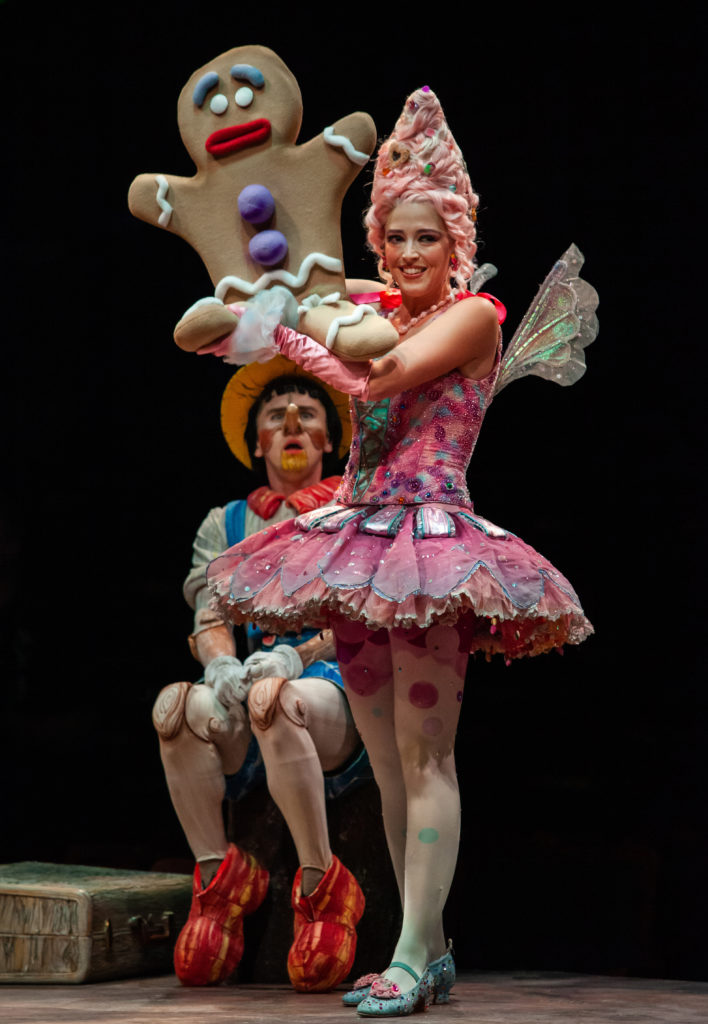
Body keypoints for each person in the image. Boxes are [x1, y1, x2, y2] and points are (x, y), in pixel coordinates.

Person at [204, 85, 594, 1016]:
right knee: (384, 765)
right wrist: (262, 322)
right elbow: (338, 352)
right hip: (358, 543)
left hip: (431, 544)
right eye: (397, 236)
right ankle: (426, 943)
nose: (410, 253)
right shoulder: (370, 307)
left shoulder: (476, 318)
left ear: (455, 243)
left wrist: (293, 325)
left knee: (428, 761)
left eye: (428, 237)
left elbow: (380, 375)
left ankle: (415, 952)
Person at [152, 356, 371, 992]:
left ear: (330, 439)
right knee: (175, 707)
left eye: (308, 414)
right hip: (251, 691)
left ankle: (321, 884)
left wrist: (297, 655)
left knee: (276, 697)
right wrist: (219, 661)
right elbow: (209, 612)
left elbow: (365, 613)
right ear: (258, 442)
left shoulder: (356, 509)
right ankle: (219, 882)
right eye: (276, 416)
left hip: (332, 690)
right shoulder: (226, 524)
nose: (292, 422)